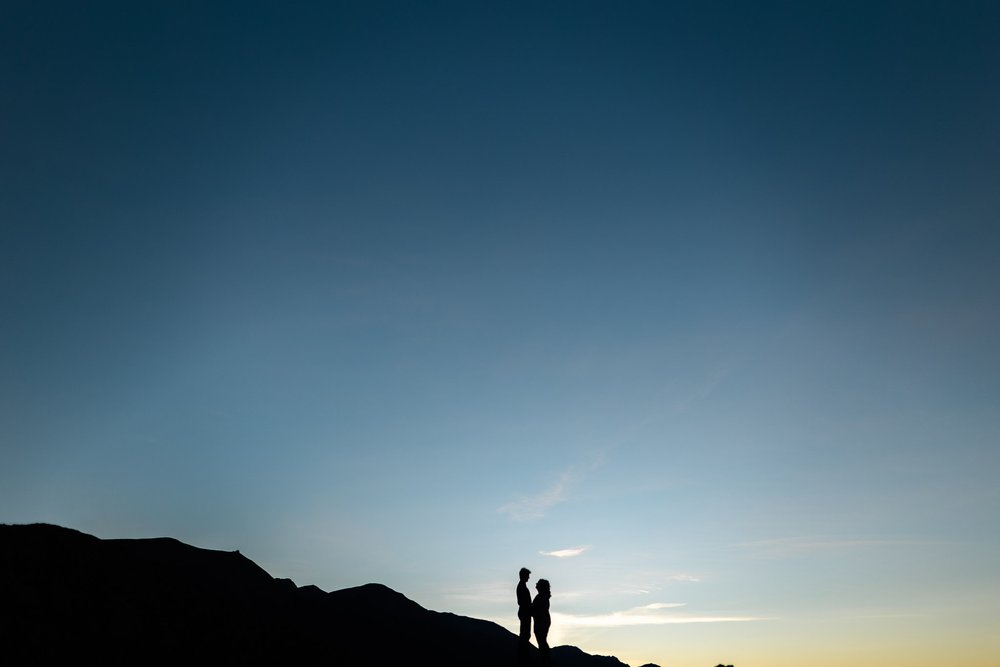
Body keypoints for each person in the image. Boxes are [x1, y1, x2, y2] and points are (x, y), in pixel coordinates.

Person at [532, 578, 552, 666]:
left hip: (541, 621)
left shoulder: (541, 597)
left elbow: (537, 610)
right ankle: (545, 659)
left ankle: (545, 660)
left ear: (541, 586)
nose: (536, 585)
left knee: (542, 641)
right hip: (543, 620)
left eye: (538, 584)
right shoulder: (543, 596)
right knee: (542, 641)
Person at [516, 567, 532, 664]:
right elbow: (522, 602)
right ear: (523, 575)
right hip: (525, 612)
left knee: (525, 634)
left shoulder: (522, 586)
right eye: (527, 575)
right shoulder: (522, 587)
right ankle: (523, 657)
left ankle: (523, 655)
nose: (528, 578)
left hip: (525, 612)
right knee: (525, 635)